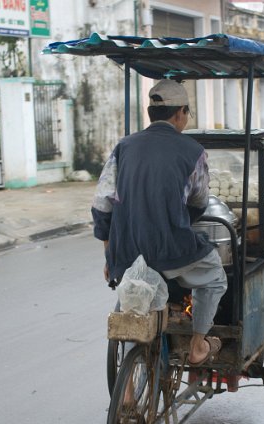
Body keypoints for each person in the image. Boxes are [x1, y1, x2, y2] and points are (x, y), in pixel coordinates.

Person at [91, 79, 227, 366]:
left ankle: (126, 393)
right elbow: (199, 202)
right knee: (215, 275)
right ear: (180, 113)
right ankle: (198, 343)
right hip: (170, 249)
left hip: (126, 251)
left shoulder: (123, 147)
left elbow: (103, 203)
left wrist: (110, 253)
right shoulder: (193, 151)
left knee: (132, 302)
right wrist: (179, 220)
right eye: (187, 113)